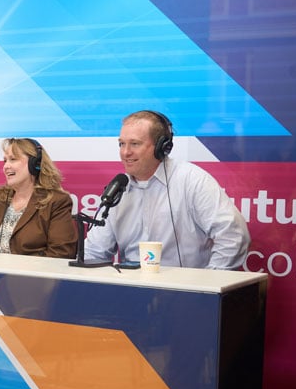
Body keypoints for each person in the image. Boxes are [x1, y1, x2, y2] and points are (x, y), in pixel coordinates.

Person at [84, 110, 250, 269]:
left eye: (135, 144)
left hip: (186, 286)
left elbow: (233, 236)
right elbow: (94, 252)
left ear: (162, 147)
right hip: (130, 286)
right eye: (121, 144)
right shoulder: (117, 189)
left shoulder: (192, 180)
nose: (125, 152)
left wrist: (208, 283)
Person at [0, 137, 77, 258]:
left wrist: (18, 267)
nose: (6, 166)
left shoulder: (56, 201)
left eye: (13, 159)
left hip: (33, 270)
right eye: (5, 161)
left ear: (35, 164)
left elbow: (62, 252)